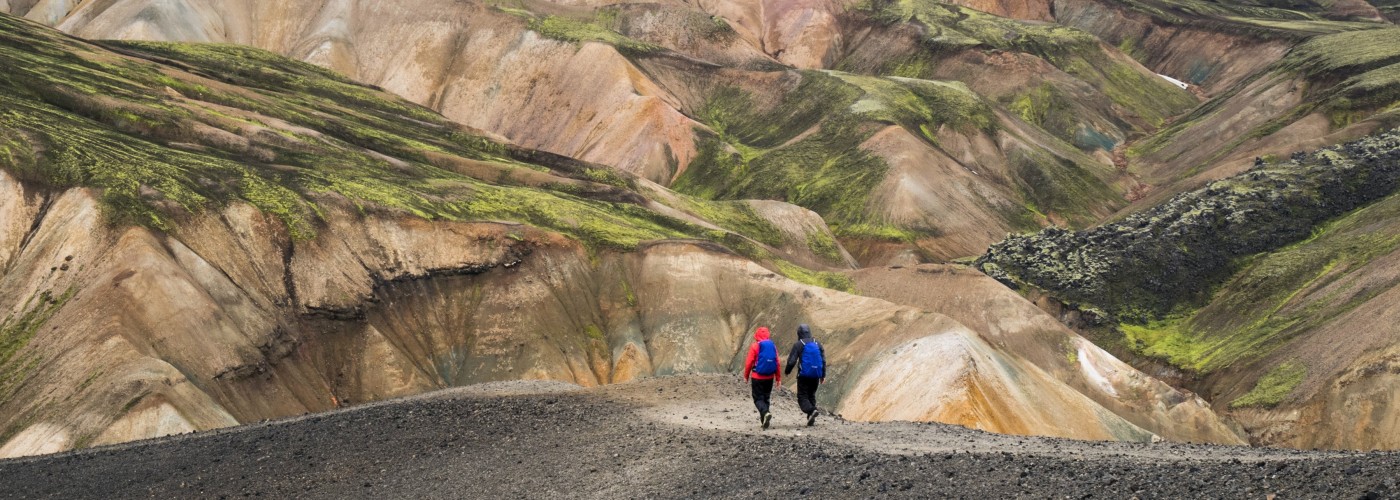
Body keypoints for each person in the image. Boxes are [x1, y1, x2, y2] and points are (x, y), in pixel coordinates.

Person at [784, 324, 825, 427]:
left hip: (804, 376)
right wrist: (822, 375)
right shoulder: (817, 343)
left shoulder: (799, 344)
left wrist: (787, 371)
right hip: (816, 375)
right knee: (811, 395)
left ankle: (812, 410)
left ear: (799, 334)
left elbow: (791, 361)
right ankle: (811, 417)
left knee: (802, 396)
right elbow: (823, 360)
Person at [742, 326, 781, 429]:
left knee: (758, 398)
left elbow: (749, 362)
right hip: (769, 377)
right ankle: (764, 419)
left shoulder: (755, 346)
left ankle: (765, 413)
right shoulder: (773, 346)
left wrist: (746, 376)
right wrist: (778, 378)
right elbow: (777, 363)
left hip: (757, 377)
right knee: (766, 397)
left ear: (756, 336)